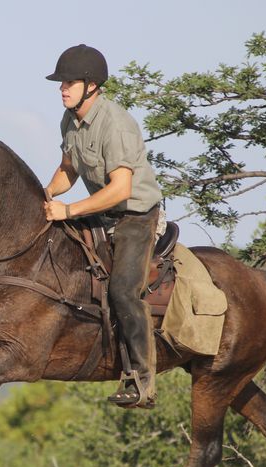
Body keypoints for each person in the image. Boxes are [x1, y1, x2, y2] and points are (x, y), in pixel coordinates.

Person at [44, 44, 162, 408]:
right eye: (61, 82)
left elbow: (121, 189)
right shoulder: (70, 120)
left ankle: (142, 382)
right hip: (101, 211)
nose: (62, 88)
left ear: (91, 85)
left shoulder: (117, 123)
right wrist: (44, 196)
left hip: (135, 216)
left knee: (124, 291)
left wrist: (70, 210)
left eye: (69, 82)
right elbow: (68, 170)